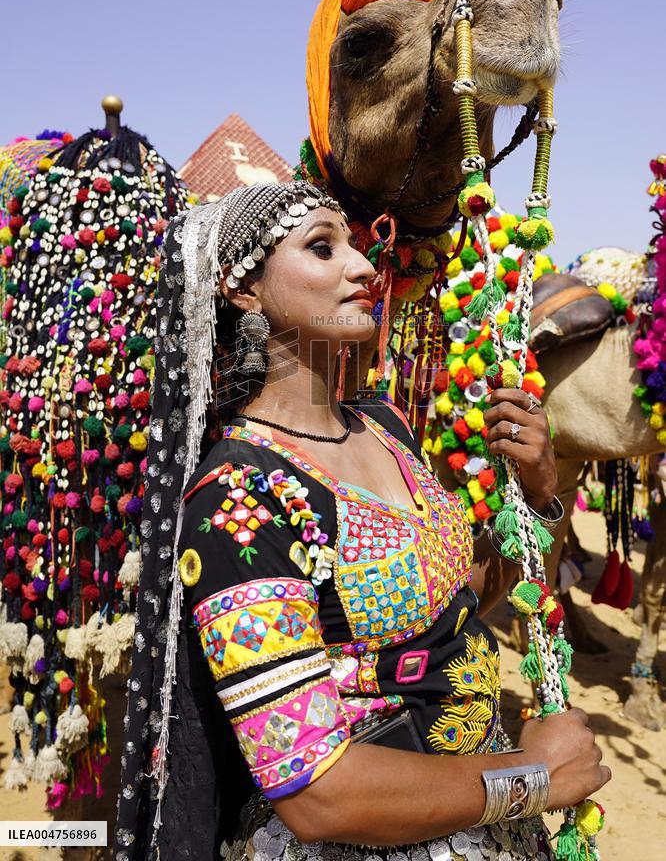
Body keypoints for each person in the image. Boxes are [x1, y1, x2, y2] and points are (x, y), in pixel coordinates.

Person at [114, 181, 610, 861]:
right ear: (241, 291)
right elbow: (319, 795)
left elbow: (452, 603)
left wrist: (539, 496)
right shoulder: (239, 500)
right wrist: (532, 779)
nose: (364, 267)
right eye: (323, 248)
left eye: (354, 244)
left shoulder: (384, 425)